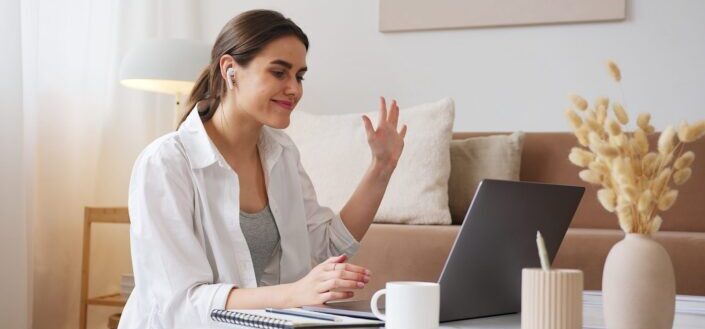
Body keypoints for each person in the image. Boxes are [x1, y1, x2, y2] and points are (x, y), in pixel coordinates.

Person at [118, 9, 407, 328]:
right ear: (230, 70)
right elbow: (182, 302)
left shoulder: (282, 153)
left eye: (299, 76)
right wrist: (294, 294)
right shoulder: (166, 163)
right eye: (279, 73)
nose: (294, 89)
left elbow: (328, 246)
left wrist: (381, 167)